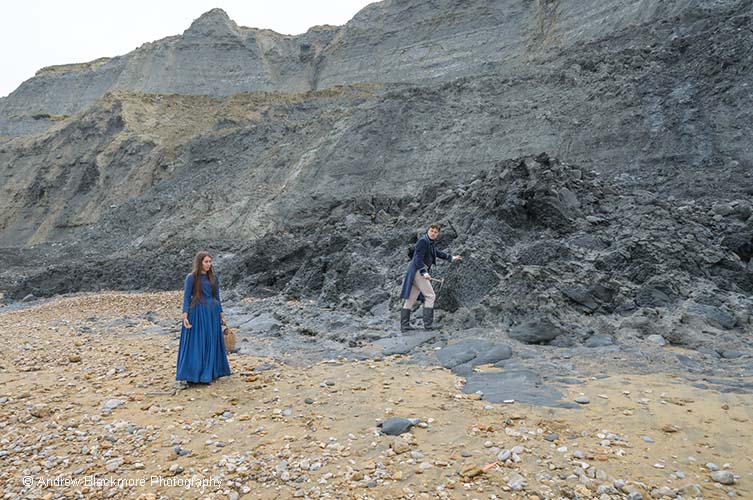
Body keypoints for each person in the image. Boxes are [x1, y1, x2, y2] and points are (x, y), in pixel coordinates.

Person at [176, 251, 231, 384]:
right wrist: (185, 315)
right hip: (198, 313)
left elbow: (217, 297)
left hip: (212, 313)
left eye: (210, 262)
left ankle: (210, 373)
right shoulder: (191, 278)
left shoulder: (213, 278)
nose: (208, 264)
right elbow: (186, 297)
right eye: (206, 262)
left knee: (211, 342)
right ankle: (193, 375)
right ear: (199, 262)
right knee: (197, 343)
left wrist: (221, 314)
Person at [400, 224, 462, 330]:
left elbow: (437, 253)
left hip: (415, 271)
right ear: (428, 231)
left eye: (436, 232)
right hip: (418, 271)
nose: (433, 233)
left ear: (438, 234)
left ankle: (404, 325)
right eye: (432, 231)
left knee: (411, 299)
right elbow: (417, 258)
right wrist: (424, 272)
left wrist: (452, 257)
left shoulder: (430, 242)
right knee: (430, 296)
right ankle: (428, 325)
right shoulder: (423, 241)